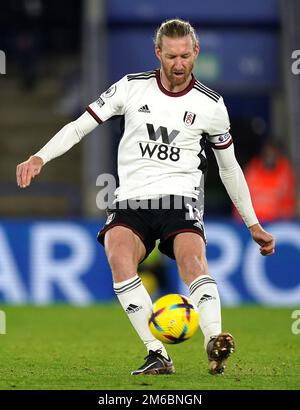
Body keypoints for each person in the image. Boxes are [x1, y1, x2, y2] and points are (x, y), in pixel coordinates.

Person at [16, 19, 275, 375]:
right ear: (158, 53)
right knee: (119, 257)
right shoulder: (131, 88)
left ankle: (214, 342)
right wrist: (40, 156)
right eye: (171, 56)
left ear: (196, 52)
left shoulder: (211, 105)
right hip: (132, 199)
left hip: (180, 198)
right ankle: (157, 353)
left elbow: (229, 169)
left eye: (185, 55)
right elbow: (81, 125)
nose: (179, 64)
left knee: (192, 262)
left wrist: (253, 223)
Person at [233, 140, 296, 223]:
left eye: (273, 154)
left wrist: (284, 220)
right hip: (251, 223)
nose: (269, 157)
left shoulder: (285, 172)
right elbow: (240, 196)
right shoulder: (253, 170)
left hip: (276, 223)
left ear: (278, 155)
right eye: (267, 154)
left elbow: (288, 202)